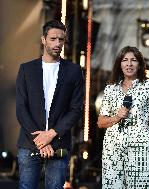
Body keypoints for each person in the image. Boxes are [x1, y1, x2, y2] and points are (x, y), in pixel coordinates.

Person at [16, 20, 84, 189]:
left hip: (59, 143)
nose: (57, 43)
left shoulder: (74, 71)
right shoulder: (26, 69)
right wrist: (40, 140)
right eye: (53, 39)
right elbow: (21, 108)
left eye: (61, 40)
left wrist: (52, 134)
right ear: (43, 40)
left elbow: (76, 109)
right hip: (29, 142)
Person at [97, 46, 149, 188]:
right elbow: (101, 122)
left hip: (141, 145)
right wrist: (116, 117)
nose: (129, 64)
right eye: (125, 60)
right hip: (112, 147)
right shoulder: (110, 89)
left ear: (140, 65)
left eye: (133, 60)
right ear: (120, 64)